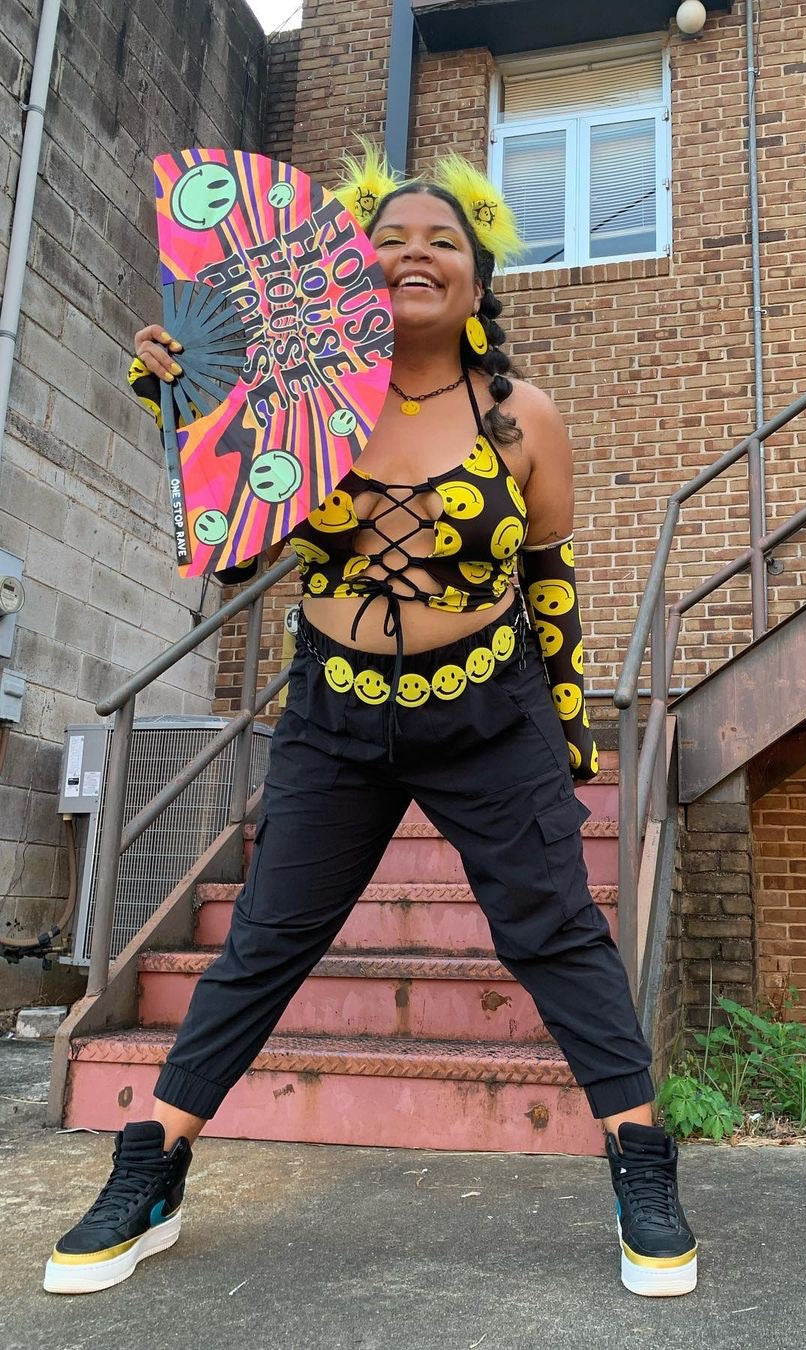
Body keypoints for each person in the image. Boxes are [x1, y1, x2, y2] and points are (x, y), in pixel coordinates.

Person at [44, 147, 696, 1299]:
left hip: (491, 712)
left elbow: (549, 578)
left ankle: (641, 1160)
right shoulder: (289, 398)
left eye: (441, 241)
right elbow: (234, 547)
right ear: (346, 267)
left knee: (554, 929)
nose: (413, 255)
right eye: (388, 239)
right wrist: (187, 403)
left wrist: (567, 718)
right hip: (335, 712)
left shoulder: (523, 416)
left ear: (479, 280)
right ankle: (151, 1168)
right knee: (267, 940)